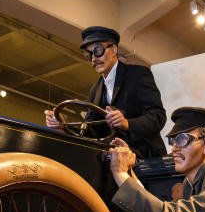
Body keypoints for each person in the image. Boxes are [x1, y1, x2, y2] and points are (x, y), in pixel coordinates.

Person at [45, 26, 166, 159]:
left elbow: (158, 117)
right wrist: (63, 126)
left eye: (98, 50)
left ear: (113, 49)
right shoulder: (95, 90)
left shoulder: (137, 74)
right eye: (89, 54)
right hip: (114, 157)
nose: (93, 59)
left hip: (146, 157)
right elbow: (91, 130)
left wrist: (127, 123)